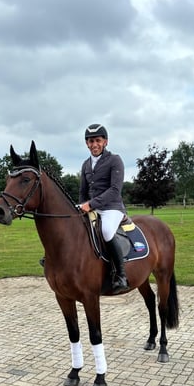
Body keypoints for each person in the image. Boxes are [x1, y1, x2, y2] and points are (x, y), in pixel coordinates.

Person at [78, 123, 129, 293]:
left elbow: (115, 190)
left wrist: (90, 204)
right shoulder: (86, 164)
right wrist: (80, 207)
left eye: (98, 140)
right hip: (91, 207)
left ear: (105, 141)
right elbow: (83, 191)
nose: (94, 144)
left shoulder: (115, 160)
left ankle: (120, 275)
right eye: (91, 141)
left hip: (112, 208)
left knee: (106, 231)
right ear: (86, 143)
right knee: (69, 222)